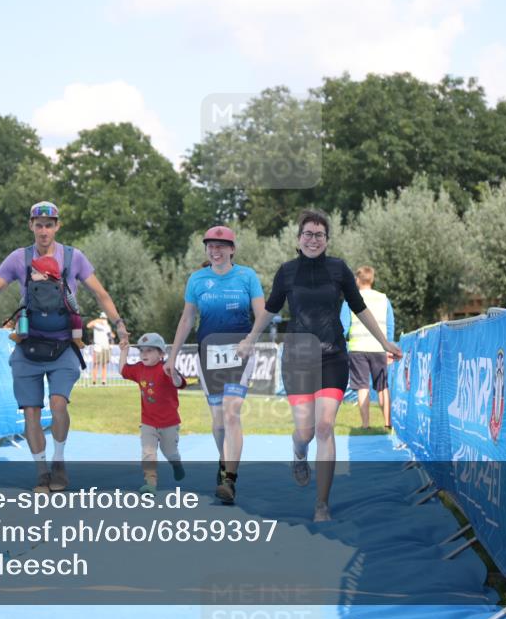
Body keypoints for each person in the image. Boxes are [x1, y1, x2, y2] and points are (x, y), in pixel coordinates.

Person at [238, 209, 402, 522]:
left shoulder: (339, 269)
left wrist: (383, 342)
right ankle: (299, 452)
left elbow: (360, 308)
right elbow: (270, 309)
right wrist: (249, 339)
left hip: (333, 356)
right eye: (308, 234)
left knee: (325, 426)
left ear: (326, 240)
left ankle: (322, 505)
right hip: (299, 357)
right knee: (305, 430)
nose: (313, 239)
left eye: (319, 235)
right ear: (298, 239)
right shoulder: (286, 272)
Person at [0, 201, 129, 493]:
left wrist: (119, 324)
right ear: (30, 225)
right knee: (31, 411)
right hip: (27, 347)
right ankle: (41, 471)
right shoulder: (18, 259)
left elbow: (101, 294)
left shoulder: (74, 257)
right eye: (38, 224)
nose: (43, 230)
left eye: (49, 224)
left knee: (58, 404)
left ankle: (59, 461)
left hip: (64, 347)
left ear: (57, 226)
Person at [166, 225, 265, 505]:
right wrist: (172, 356)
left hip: (240, 352)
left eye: (221, 245)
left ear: (232, 249)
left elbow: (262, 313)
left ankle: (230, 479)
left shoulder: (247, 276)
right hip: (208, 354)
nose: (215, 250)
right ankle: (224, 463)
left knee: (232, 413)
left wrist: (250, 340)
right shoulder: (197, 279)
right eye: (210, 245)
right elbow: (187, 320)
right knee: (218, 420)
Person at [119, 332, 186, 494]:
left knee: (169, 451)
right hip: (148, 422)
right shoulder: (139, 369)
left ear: (161, 354)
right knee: (148, 452)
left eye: (149, 350)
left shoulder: (166, 369)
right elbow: (123, 370)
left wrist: (174, 374)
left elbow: (179, 383)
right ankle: (150, 483)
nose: (144, 354)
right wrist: (124, 351)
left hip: (169, 422)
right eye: (141, 351)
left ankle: (176, 463)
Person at [340, 266, 396, 430]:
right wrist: (389, 347)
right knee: (382, 387)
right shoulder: (383, 299)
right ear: (372, 279)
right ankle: (387, 423)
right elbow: (390, 325)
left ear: (357, 280)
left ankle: (365, 425)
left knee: (362, 387)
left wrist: (342, 346)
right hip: (379, 348)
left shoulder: (350, 299)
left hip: (358, 348)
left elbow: (343, 326)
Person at [86, 313, 114, 385]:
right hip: (97, 347)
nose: (104, 320)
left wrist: (112, 336)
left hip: (105, 347)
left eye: (105, 319)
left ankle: (103, 381)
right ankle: (94, 381)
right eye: (103, 318)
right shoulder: (96, 324)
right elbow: (88, 325)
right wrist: (98, 320)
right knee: (96, 364)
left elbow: (110, 336)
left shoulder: (107, 326)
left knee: (104, 365)